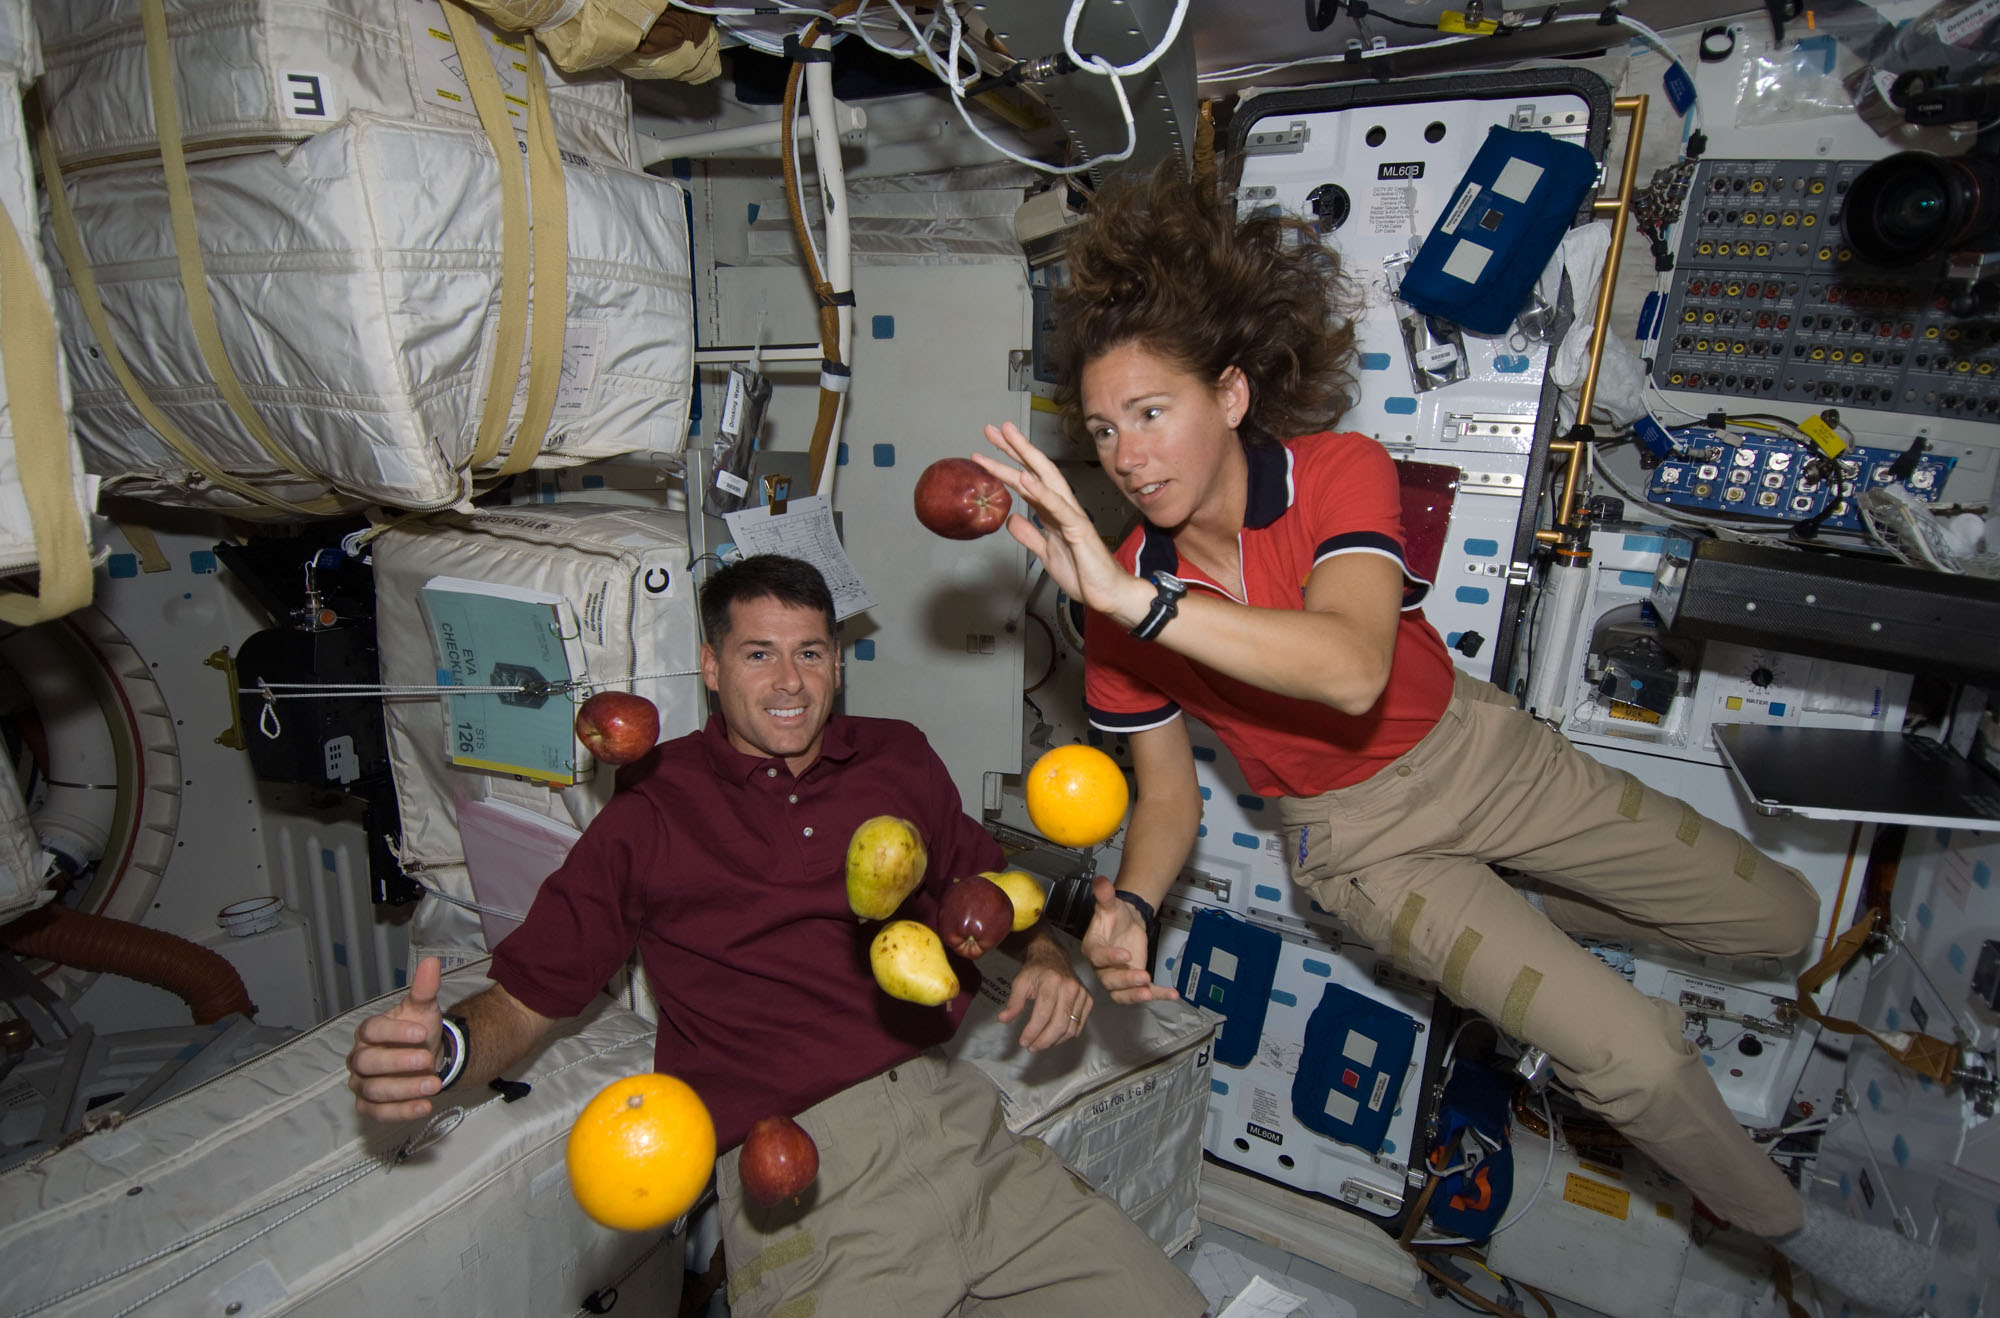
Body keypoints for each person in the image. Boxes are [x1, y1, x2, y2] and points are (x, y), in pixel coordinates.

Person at [973, 164, 1934, 1315]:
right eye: (1099, 430)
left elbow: (1351, 665)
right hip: (1365, 846)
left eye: (1148, 412)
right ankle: (1796, 1229)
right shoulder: (1122, 594)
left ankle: (1535, 934)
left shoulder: (1332, 473)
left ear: (1228, 394)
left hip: (1485, 760)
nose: (1125, 455)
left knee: (1780, 920)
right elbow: (1168, 798)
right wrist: (1128, 900)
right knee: (1635, 1059)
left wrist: (1142, 604)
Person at [346, 554, 1208, 1318]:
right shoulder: (652, 808)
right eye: (759, 654)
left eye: (810, 653)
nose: (790, 682)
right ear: (713, 668)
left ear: (837, 663)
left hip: (962, 1129)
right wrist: (448, 1050)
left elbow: (987, 890)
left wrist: (1052, 955)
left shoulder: (898, 756)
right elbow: (534, 995)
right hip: (799, 1178)